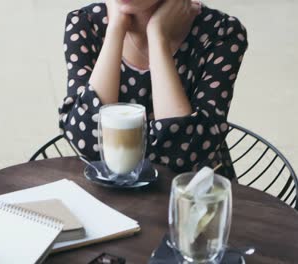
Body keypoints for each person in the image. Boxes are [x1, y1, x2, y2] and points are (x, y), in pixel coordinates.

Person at [59, 0, 248, 179]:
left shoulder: (222, 32)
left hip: (193, 197)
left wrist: (158, 36)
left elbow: (184, 154)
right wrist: (116, 29)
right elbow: (87, 140)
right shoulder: (85, 23)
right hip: (110, 193)